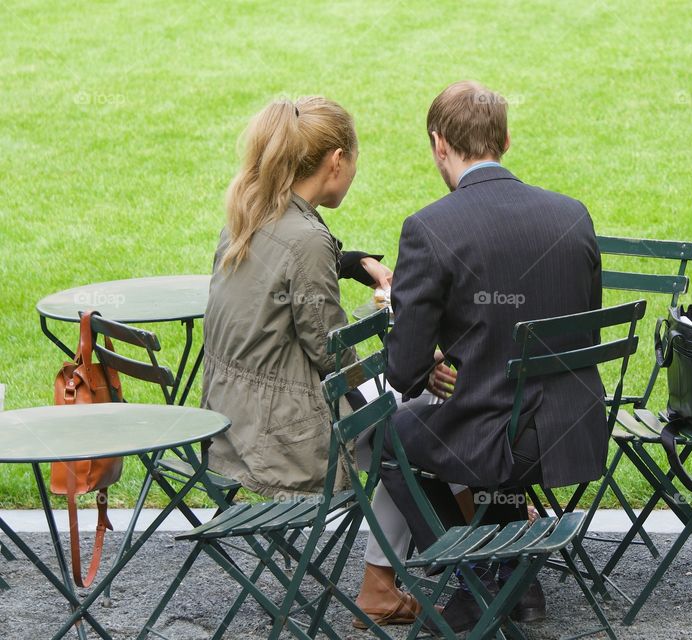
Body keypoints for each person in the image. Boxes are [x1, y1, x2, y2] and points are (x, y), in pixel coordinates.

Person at [381, 80, 607, 633]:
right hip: (578, 428)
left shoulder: (429, 228)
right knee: (486, 422)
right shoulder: (573, 215)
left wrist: (429, 349)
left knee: (392, 438)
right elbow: (580, 325)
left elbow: (404, 371)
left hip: (502, 438)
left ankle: (478, 580)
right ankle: (518, 582)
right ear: (505, 140)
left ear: (439, 144)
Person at [201, 96, 418, 623]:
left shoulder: (249, 211)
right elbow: (333, 353)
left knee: (399, 411)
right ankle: (407, 575)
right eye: (356, 161)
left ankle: (449, 539)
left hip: (224, 423)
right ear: (336, 161)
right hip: (281, 437)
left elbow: (290, 265)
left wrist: (356, 263)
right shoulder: (307, 240)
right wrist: (402, 345)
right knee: (418, 418)